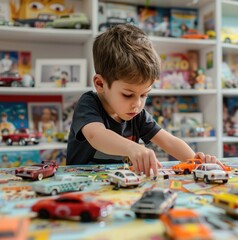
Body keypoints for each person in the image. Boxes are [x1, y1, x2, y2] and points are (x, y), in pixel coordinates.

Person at [67, 24, 223, 177]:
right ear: (100, 84)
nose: (137, 104)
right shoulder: (88, 104)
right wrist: (133, 148)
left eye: (144, 95)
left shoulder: (137, 114)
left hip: (115, 184)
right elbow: (97, 136)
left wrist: (195, 161)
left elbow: (168, 141)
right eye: (128, 95)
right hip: (80, 184)